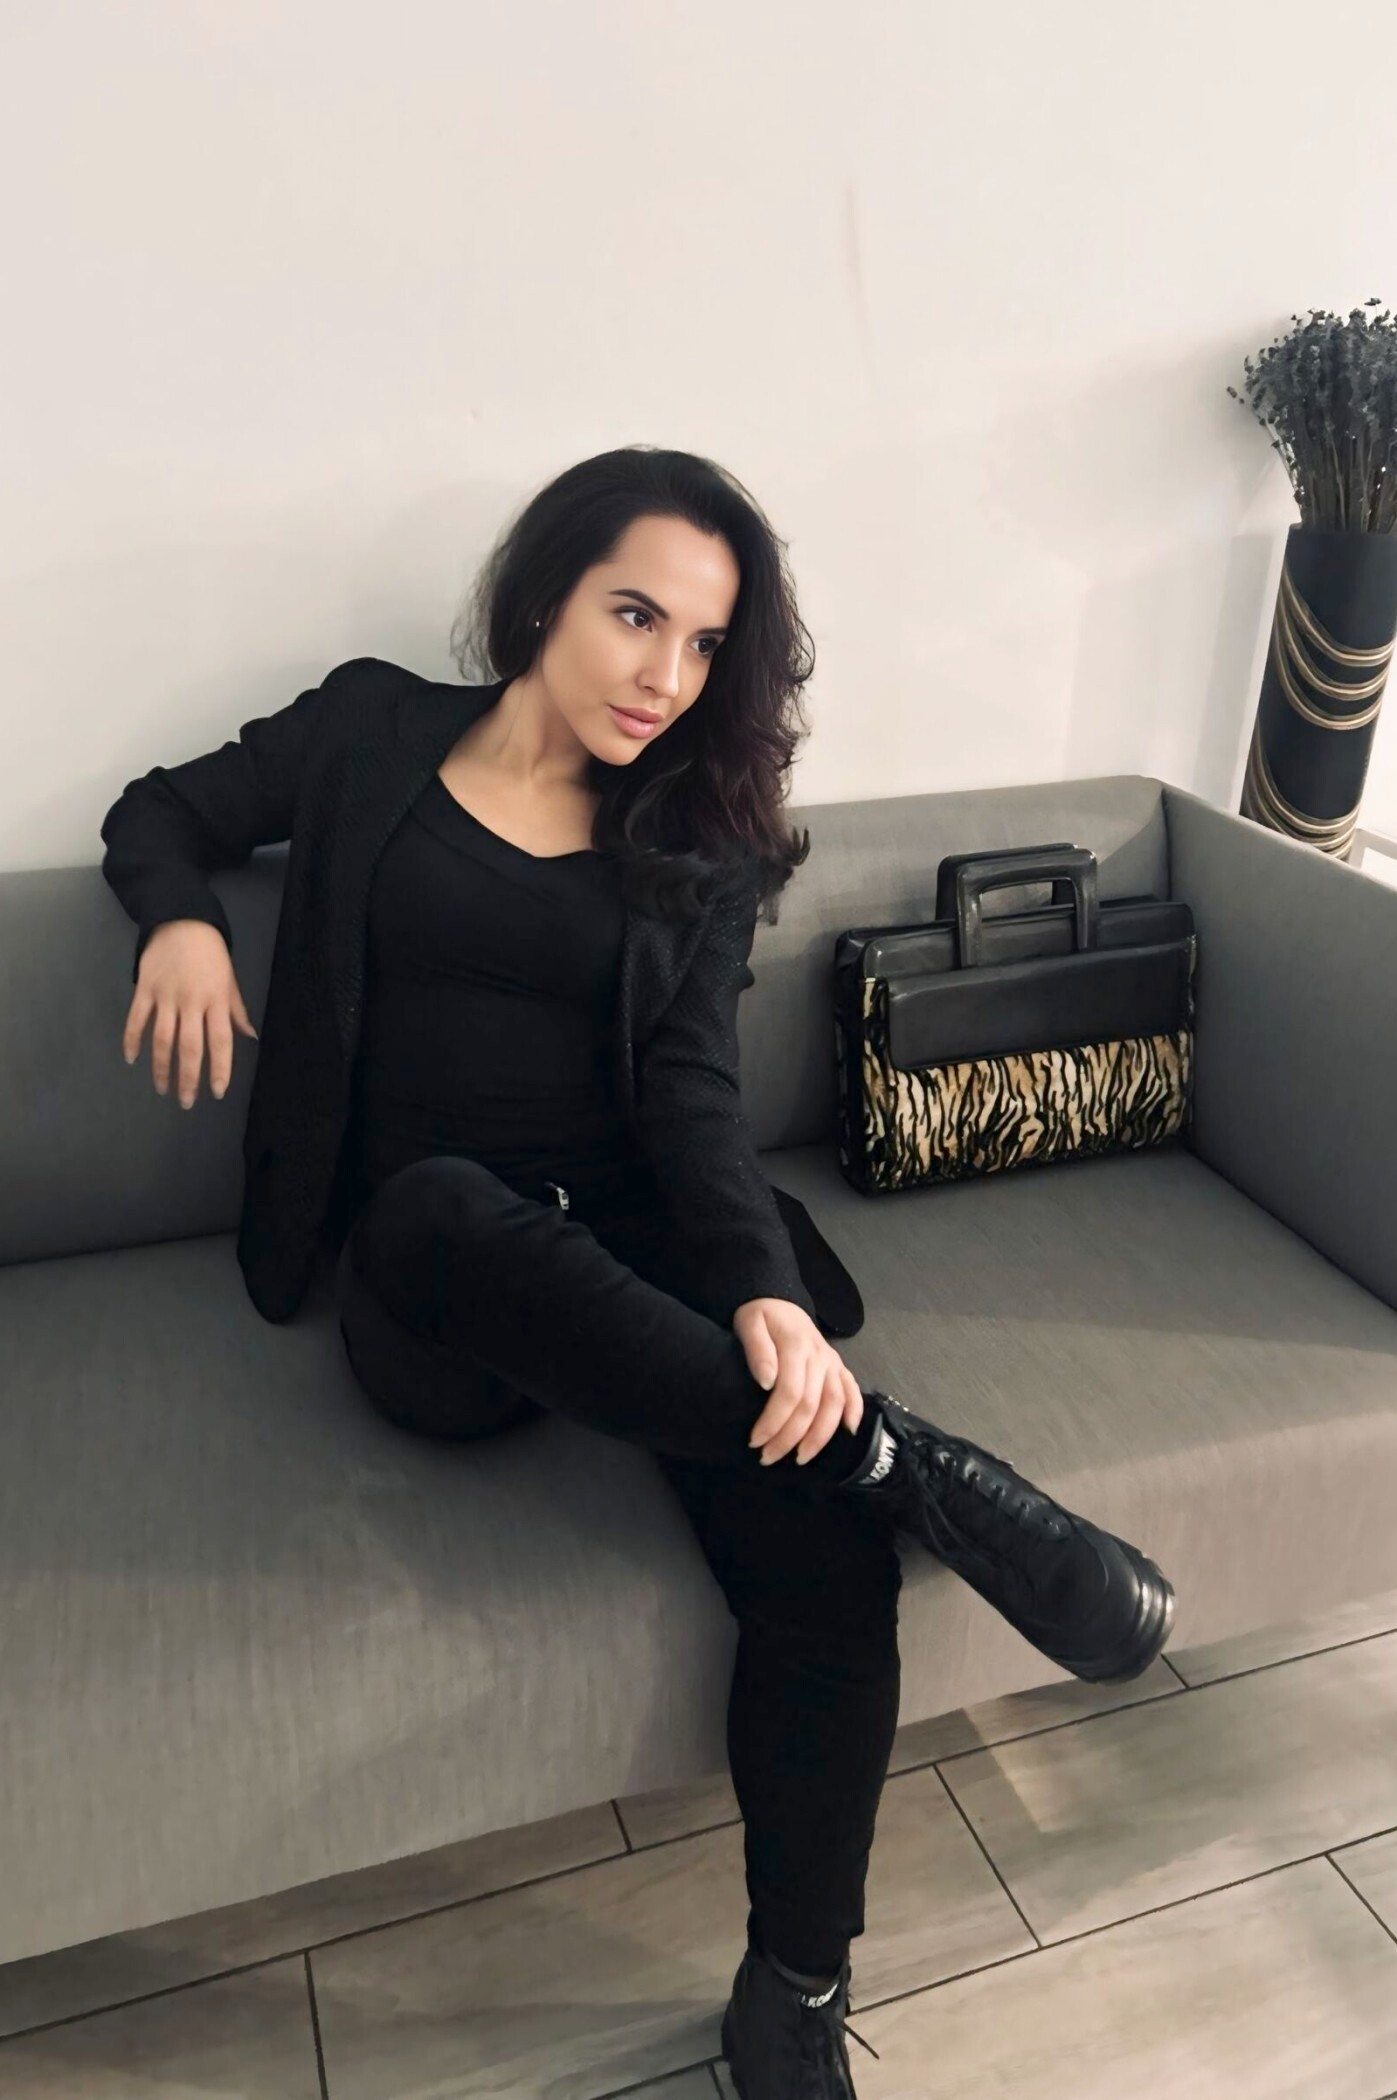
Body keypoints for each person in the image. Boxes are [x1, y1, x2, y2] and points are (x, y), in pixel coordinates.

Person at [100, 445, 1175, 2097]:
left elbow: (690, 1098)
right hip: (440, 1284)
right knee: (441, 1207)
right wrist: (180, 920)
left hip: (638, 1250)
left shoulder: (698, 837)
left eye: (702, 644)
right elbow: (162, 811)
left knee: (821, 1560)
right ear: (543, 595)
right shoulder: (369, 728)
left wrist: (760, 1290)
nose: (665, 676)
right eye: (634, 616)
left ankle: (795, 1990)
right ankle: (910, 1463)